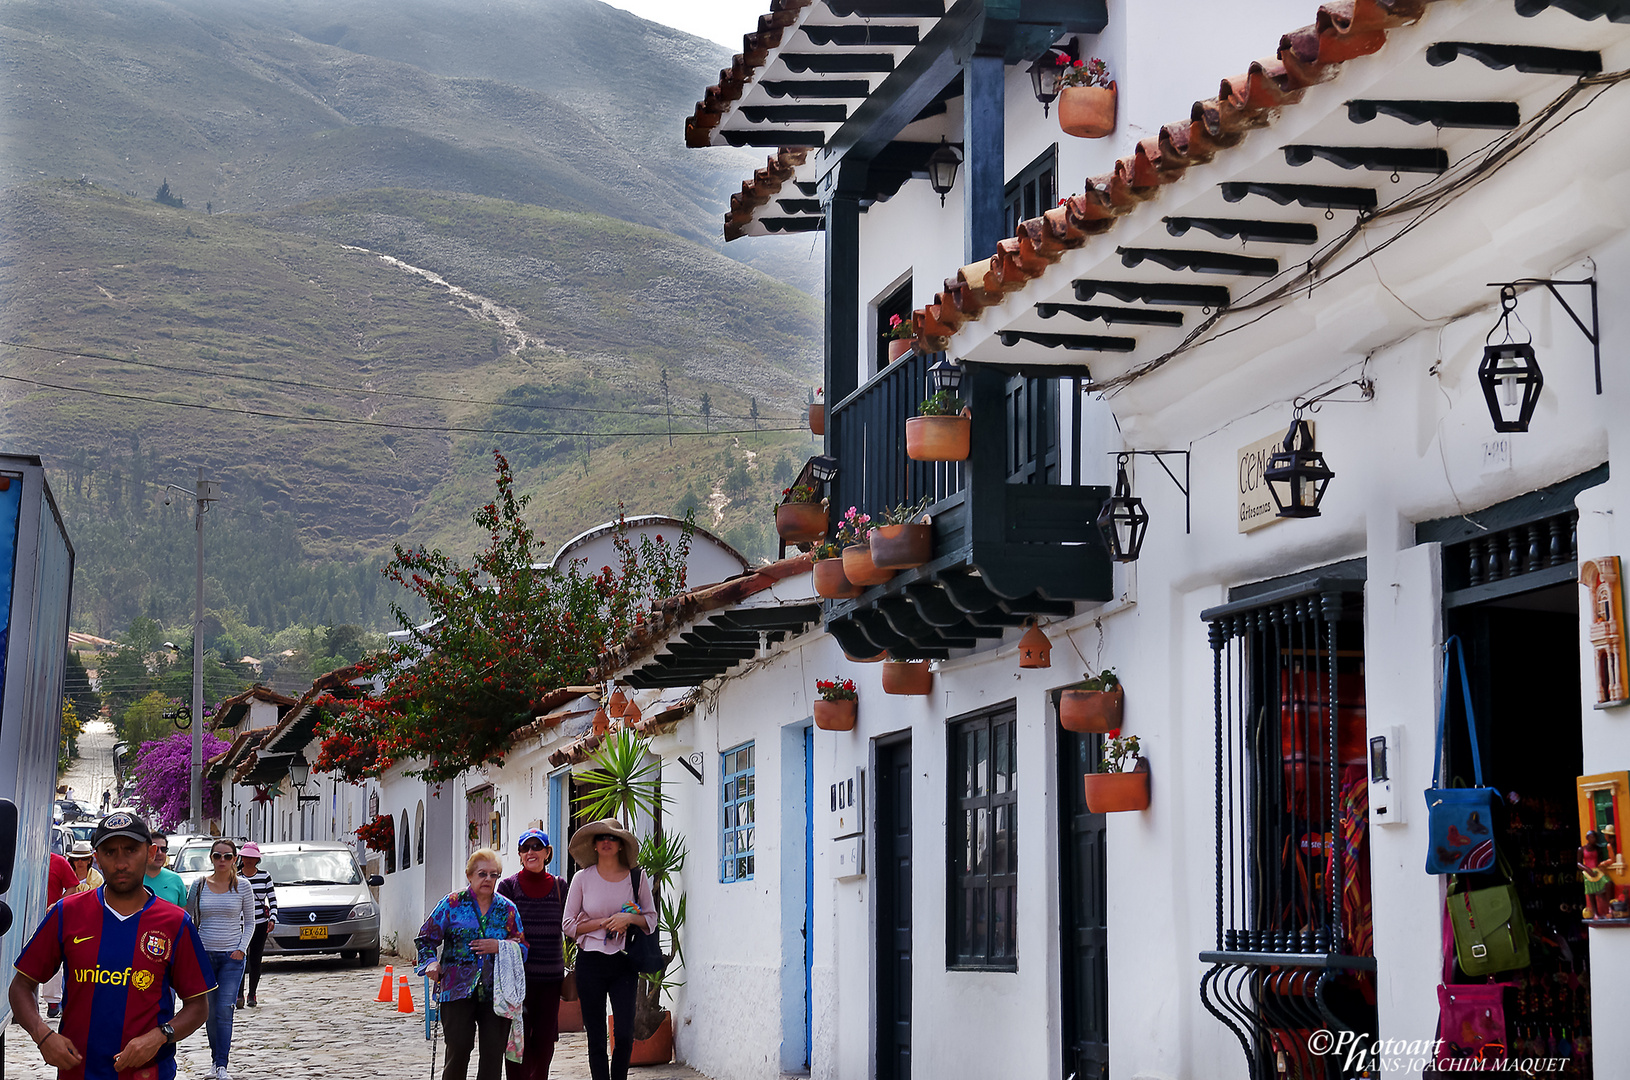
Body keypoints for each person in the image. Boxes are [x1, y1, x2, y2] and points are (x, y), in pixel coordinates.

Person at [8, 812, 215, 1080]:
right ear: (97, 857)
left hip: (149, 1073)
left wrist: (161, 1036)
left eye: (130, 850)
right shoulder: (66, 913)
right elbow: (21, 985)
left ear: (150, 852)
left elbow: (198, 1006)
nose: (120, 863)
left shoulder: (175, 923)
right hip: (78, 1072)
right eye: (110, 852)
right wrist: (42, 1035)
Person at [416, 848, 528, 1080]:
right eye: (482, 874)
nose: (488, 879)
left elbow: (523, 948)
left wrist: (499, 946)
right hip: (456, 991)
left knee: (492, 1056)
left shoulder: (507, 909)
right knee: (458, 1050)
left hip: (496, 993)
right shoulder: (452, 904)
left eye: (494, 875)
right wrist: (430, 963)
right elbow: (426, 938)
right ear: (469, 875)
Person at [562, 819, 655, 1080]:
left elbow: (650, 919)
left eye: (612, 838)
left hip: (624, 961)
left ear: (620, 845)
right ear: (593, 845)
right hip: (590, 962)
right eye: (601, 837)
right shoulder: (582, 878)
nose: (606, 842)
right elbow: (568, 924)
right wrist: (603, 922)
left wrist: (628, 919)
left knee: (624, 1033)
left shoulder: (637, 877)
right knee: (595, 1035)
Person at [496, 829, 566, 1080]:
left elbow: (571, 923)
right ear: (519, 854)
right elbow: (500, 928)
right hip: (517, 981)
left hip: (550, 979)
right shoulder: (508, 887)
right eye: (525, 848)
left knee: (545, 1043)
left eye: (537, 847)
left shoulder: (560, 886)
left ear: (547, 853)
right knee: (516, 1041)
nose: (531, 852)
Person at [185, 837, 256, 1080]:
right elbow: (189, 919)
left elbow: (250, 921)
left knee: (225, 1009)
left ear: (235, 859)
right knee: (210, 1010)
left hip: (231, 958)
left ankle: (222, 1065)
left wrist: (241, 949)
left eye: (227, 856)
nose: (222, 860)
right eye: (217, 856)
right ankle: (215, 1062)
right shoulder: (200, 885)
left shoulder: (243, 886)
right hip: (205, 955)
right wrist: (193, 951)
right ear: (211, 858)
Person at [39, 851, 80, 1019]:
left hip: (50, 917)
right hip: (22, 914)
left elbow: (72, 886)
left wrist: (58, 905)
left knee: (51, 957)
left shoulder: (59, 862)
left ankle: (53, 1001)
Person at [238, 842, 277, 1008]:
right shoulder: (236, 876)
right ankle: (238, 994)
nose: (248, 860)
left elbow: (273, 899)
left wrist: (273, 918)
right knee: (239, 959)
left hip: (260, 923)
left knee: (255, 960)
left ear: (257, 860)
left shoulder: (265, 876)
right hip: (239, 924)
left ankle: (252, 993)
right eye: (246, 857)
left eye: (252, 858)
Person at [145, 835, 188, 907]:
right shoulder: (134, 879)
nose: (159, 853)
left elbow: (183, 912)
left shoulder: (176, 879)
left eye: (163, 849)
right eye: (155, 849)